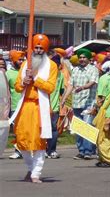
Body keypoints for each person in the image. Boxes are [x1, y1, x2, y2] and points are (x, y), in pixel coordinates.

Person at [10, 34, 58, 183]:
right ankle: (31, 169)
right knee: (21, 140)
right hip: (25, 107)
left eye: (40, 48)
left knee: (38, 141)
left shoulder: (52, 65)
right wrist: (24, 82)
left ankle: (36, 173)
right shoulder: (25, 64)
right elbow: (17, 87)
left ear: (45, 49)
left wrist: (36, 79)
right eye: (36, 47)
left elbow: (50, 87)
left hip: (40, 107)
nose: (38, 50)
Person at [64, 48, 99, 160]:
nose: (82, 59)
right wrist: (64, 97)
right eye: (80, 57)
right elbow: (70, 85)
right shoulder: (75, 70)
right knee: (78, 127)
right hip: (77, 102)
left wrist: (83, 87)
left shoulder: (93, 69)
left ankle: (88, 151)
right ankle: (81, 151)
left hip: (89, 101)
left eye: (84, 57)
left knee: (87, 125)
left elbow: (92, 82)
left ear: (89, 59)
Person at [6, 50, 25, 159]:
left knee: (27, 128)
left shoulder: (26, 71)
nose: (21, 61)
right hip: (14, 105)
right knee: (17, 130)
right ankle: (18, 151)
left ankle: (27, 149)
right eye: (19, 59)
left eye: (23, 59)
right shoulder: (8, 74)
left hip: (27, 104)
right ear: (13, 60)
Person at [46, 55, 64, 159]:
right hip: (44, 107)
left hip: (55, 107)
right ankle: (42, 149)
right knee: (43, 129)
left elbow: (61, 91)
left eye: (57, 65)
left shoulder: (60, 75)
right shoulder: (45, 75)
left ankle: (52, 150)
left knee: (53, 129)